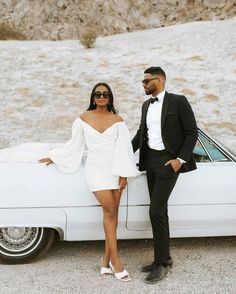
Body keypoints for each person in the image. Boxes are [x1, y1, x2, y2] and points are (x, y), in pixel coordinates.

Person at [39, 82, 140, 282]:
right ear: (93, 97)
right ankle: (116, 262)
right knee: (110, 211)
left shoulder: (117, 120)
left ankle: (105, 261)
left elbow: (123, 149)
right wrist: (55, 157)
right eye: (98, 94)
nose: (101, 97)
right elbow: (74, 145)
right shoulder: (83, 119)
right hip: (96, 171)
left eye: (105, 94)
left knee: (113, 215)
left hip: (115, 170)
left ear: (110, 98)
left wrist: (123, 174)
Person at [132, 67, 198, 284]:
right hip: (150, 163)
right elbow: (142, 134)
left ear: (158, 80)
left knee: (155, 211)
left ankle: (160, 264)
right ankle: (165, 259)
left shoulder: (178, 101)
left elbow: (191, 132)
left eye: (146, 81)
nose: (143, 84)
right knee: (161, 211)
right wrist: (121, 153)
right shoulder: (146, 105)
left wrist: (180, 160)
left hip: (169, 163)